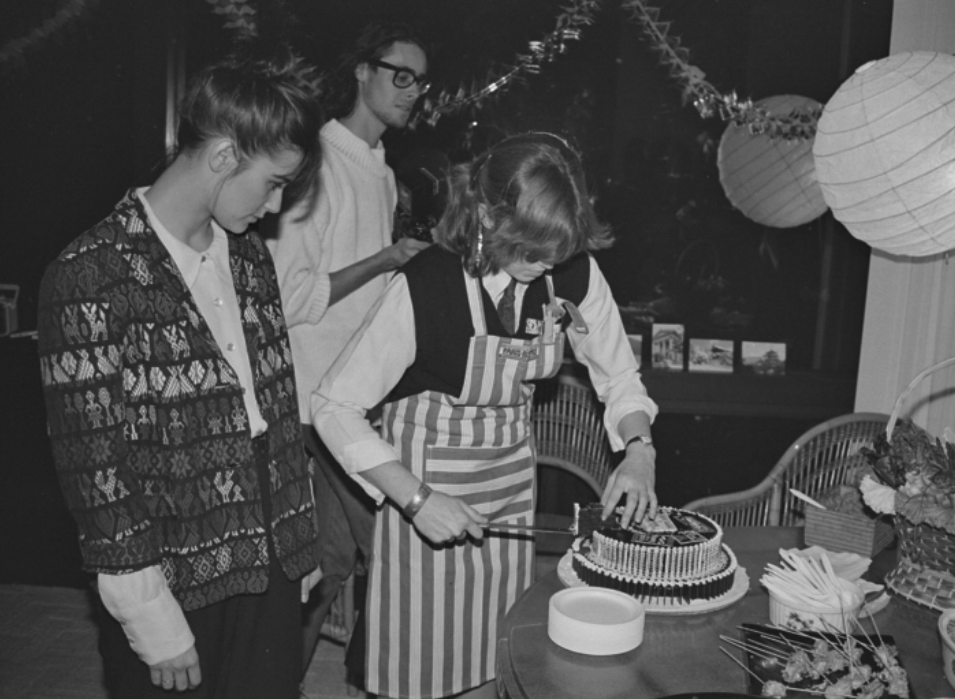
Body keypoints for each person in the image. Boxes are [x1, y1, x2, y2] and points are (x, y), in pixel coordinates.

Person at [311, 132, 660, 699]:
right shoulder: (426, 286)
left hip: (508, 481)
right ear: (486, 217)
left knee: (499, 657)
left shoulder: (571, 273)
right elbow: (333, 405)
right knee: (417, 664)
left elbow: (618, 375)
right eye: (532, 251)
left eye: (557, 253)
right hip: (423, 480)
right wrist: (416, 500)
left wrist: (639, 451)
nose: (546, 265)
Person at [37, 50, 324, 699]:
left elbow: (275, 410)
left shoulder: (250, 258)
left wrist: (298, 549)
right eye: (275, 181)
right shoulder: (89, 274)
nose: (276, 206)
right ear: (224, 155)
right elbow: (96, 474)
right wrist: (150, 615)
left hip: (270, 557)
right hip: (171, 581)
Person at [265, 20, 431, 669]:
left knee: (327, 567)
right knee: (395, 552)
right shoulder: (319, 160)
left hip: (351, 402)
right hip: (309, 403)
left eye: (420, 81)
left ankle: (278, 681)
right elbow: (286, 296)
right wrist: (387, 258)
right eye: (401, 74)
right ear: (362, 70)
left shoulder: (383, 172)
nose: (413, 90)